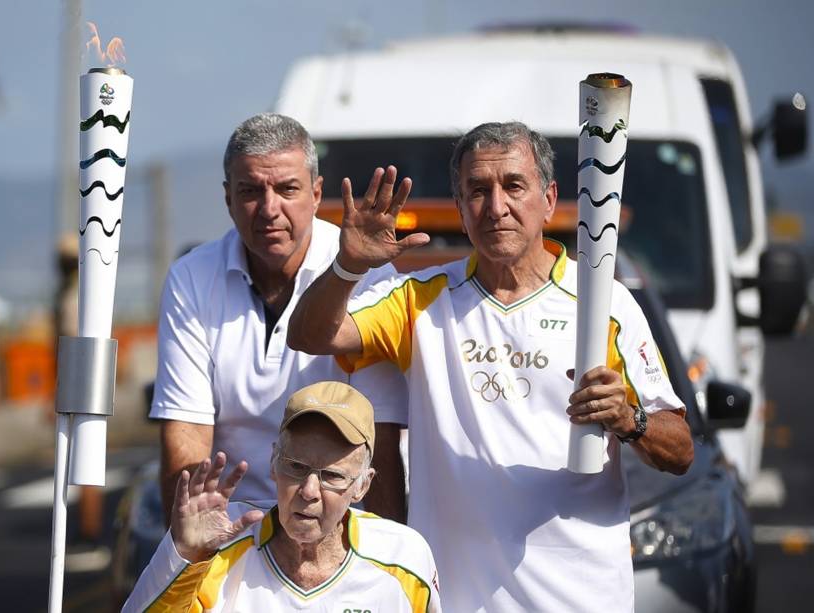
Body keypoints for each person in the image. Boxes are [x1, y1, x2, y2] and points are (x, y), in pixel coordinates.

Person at [288, 121, 695, 612]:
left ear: (549, 199)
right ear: (460, 209)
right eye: (477, 191)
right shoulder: (421, 301)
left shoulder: (604, 303)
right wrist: (348, 266)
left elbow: (680, 449)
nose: (496, 207)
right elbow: (309, 335)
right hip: (462, 599)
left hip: (583, 596)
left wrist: (630, 420)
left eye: (513, 186)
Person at [151, 113, 407, 522]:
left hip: (341, 527)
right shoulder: (192, 277)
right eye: (250, 190)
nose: (269, 210)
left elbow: (381, 438)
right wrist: (188, 555)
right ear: (227, 198)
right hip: (233, 524)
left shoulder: (368, 275)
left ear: (317, 193)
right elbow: (185, 433)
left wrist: (389, 566)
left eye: (287, 189)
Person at [124, 381, 440, 612]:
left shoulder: (404, 558)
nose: (309, 491)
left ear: (363, 485)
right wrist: (185, 555)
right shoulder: (218, 544)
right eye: (296, 467)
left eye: (332, 476)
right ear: (274, 463)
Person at [53, 234, 107, 569]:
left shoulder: (77, 296)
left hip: (82, 383)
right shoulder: (74, 293)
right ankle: (87, 528)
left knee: (84, 458)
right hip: (80, 382)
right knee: (78, 458)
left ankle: (90, 530)